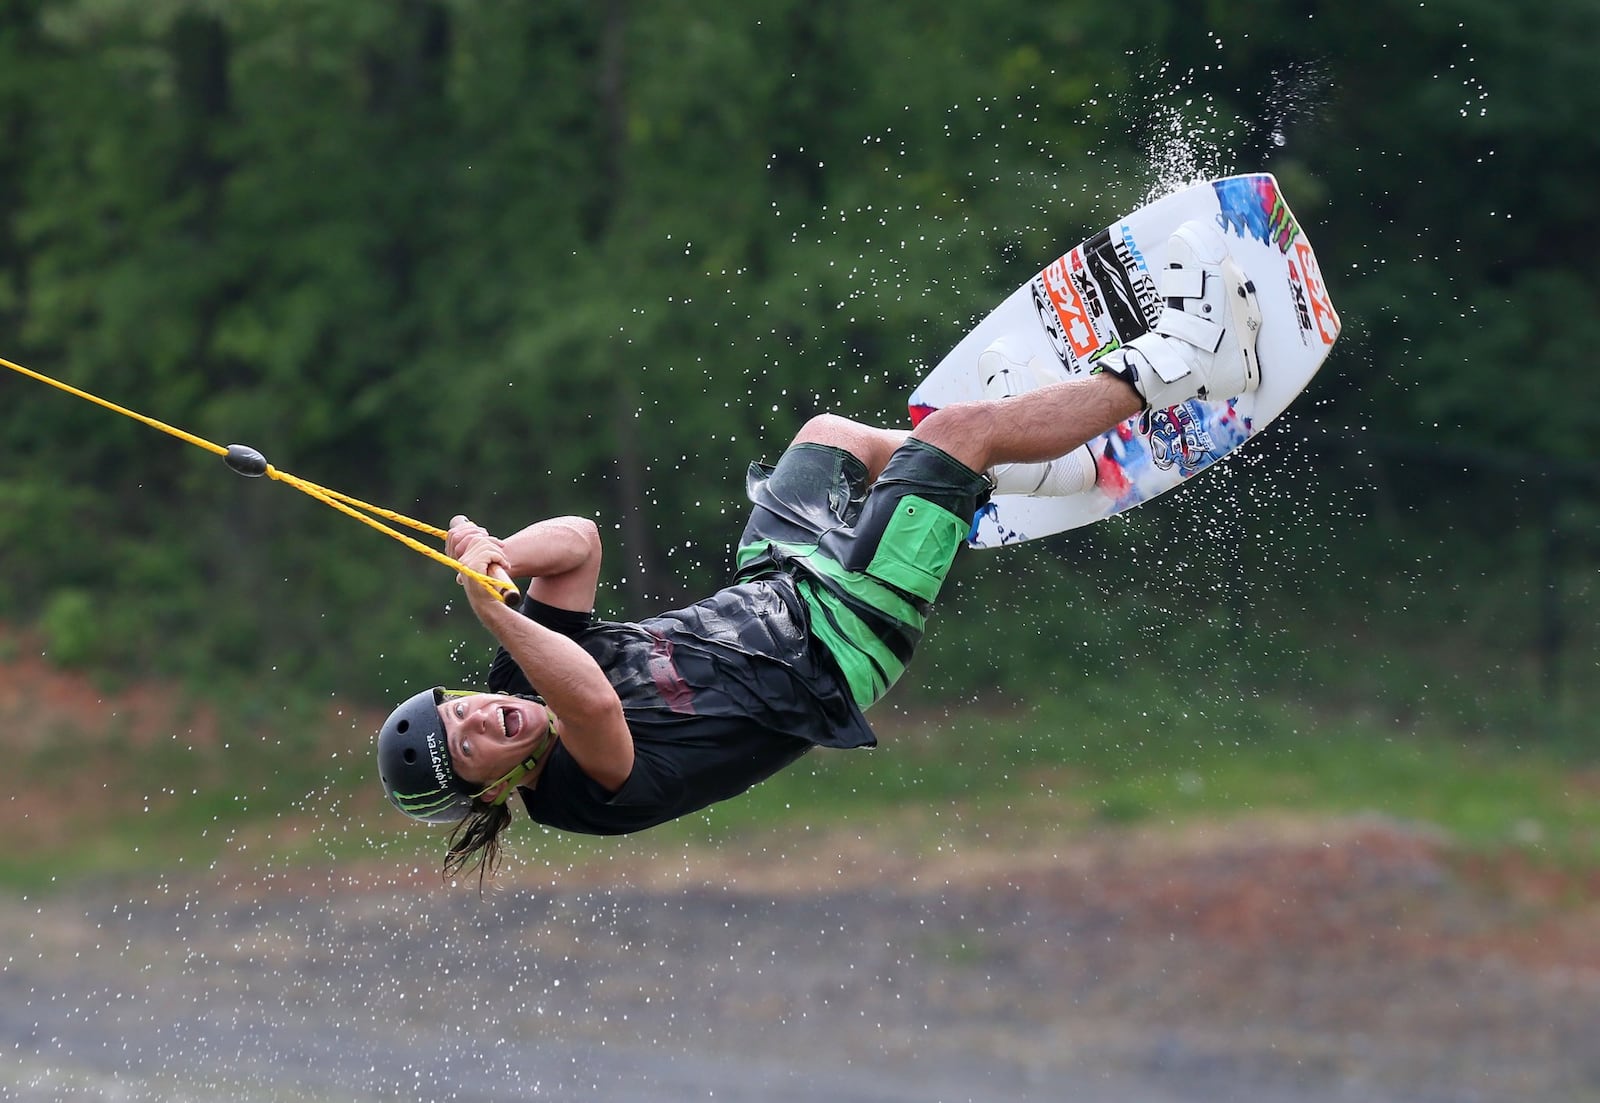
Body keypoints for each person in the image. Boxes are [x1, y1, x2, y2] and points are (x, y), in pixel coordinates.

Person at [377, 220, 1262, 881]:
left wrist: (502, 550)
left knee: (833, 436)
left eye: (456, 706)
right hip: (838, 646)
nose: (478, 716)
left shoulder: (513, 674)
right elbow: (599, 708)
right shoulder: (570, 797)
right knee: (954, 431)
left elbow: (578, 544)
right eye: (468, 744)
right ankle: (1182, 361)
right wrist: (499, 607)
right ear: (489, 792)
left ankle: (1041, 466)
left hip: (779, 584)